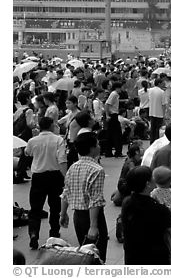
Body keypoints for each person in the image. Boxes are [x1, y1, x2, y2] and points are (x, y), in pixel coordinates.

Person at [59, 132, 108, 262]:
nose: (99, 146)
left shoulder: (72, 167)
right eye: (97, 144)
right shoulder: (97, 170)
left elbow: (66, 192)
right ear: (92, 148)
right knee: (98, 256)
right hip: (91, 217)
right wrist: (93, 226)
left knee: (85, 254)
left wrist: (62, 214)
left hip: (78, 218)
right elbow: (95, 200)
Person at [24, 117, 67, 249]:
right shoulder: (58, 140)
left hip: (38, 176)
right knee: (55, 207)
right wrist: (66, 178)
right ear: (51, 126)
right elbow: (62, 160)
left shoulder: (32, 140)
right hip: (55, 176)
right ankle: (53, 233)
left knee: (35, 207)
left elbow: (27, 153)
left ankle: (33, 234)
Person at [121, 166, 171, 265]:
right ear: (148, 184)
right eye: (152, 178)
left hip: (132, 256)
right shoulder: (159, 209)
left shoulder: (127, 203)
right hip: (155, 258)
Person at [105, 82, 124, 157]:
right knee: (117, 134)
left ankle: (109, 152)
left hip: (113, 114)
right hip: (113, 115)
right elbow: (107, 104)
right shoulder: (114, 94)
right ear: (117, 88)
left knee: (110, 134)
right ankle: (118, 152)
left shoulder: (115, 94)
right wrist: (107, 115)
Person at [149, 78, 167, 144]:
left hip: (151, 112)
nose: (164, 84)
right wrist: (164, 114)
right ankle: (156, 143)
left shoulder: (150, 90)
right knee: (158, 130)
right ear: (159, 83)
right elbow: (163, 104)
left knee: (152, 128)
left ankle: (151, 141)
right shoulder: (162, 92)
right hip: (159, 113)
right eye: (163, 83)